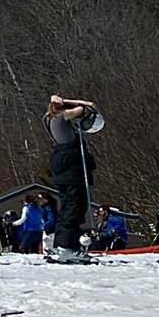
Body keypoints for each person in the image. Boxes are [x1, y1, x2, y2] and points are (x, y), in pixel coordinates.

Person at [45, 94, 100, 260]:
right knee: (75, 208)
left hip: (63, 169)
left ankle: (64, 243)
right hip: (72, 171)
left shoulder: (48, 119)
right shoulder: (61, 116)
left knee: (68, 207)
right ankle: (66, 246)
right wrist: (74, 102)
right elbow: (88, 107)